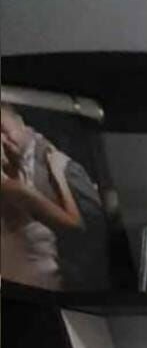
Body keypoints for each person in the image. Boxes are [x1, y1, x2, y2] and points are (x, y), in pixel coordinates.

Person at [1, 104, 83, 289]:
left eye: (3, 130)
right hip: (38, 284)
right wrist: (59, 176)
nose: (3, 140)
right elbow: (74, 226)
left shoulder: (17, 177)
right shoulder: (13, 189)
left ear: (21, 123)